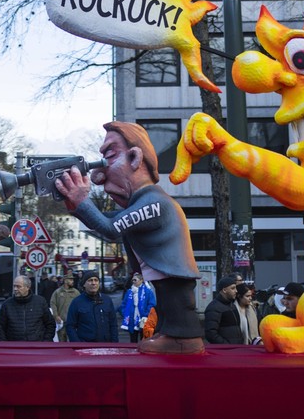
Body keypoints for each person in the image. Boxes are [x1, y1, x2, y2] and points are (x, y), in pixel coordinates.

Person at [56, 121, 204, 354]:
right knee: (166, 302)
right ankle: (171, 334)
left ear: (135, 157)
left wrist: (82, 201)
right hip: (165, 269)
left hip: (175, 269)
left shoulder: (154, 201)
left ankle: (183, 338)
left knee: (176, 301)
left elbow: (111, 227)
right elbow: (104, 220)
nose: (99, 173)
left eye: (110, 156)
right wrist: (76, 205)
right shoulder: (141, 202)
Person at [0, 276, 55, 342]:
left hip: (37, 346)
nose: (15, 289)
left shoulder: (40, 302)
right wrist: (5, 345)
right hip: (14, 347)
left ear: (27, 287)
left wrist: (45, 342)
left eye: (18, 286)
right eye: (14, 286)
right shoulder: (7, 304)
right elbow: (0, 327)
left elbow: (50, 324)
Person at [65, 271, 119, 343]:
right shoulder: (77, 302)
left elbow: (113, 324)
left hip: (106, 346)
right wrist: (77, 344)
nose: (93, 283)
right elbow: (70, 326)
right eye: (90, 280)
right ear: (84, 284)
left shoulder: (107, 300)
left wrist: (114, 343)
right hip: (85, 346)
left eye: (96, 280)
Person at [204, 276, 242, 344]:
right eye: (233, 288)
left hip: (236, 349)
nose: (236, 291)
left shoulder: (232, 305)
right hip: (225, 351)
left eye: (235, 288)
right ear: (224, 290)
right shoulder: (213, 308)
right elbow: (210, 334)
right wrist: (226, 345)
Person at [120, 273, 156, 343]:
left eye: (135, 280)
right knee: (133, 340)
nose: (133, 281)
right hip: (131, 320)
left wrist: (146, 315)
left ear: (141, 280)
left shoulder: (147, 292)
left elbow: (151, 304)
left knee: (144, 339)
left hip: (143, 320)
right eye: (132, 280)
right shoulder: (129, 292)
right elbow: (123, 304)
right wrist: (124, 313)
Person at [50, 273, 81, 341]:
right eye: (70, 279)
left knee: (72, 341)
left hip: (73, 323)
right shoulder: (57, 292)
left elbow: (80, 305)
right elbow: (53, 303)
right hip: (61, 322)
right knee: (62, 341)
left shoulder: (76, 292)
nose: (72, 281)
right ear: (65, 280)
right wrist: (56, 315)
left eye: (72, 280)